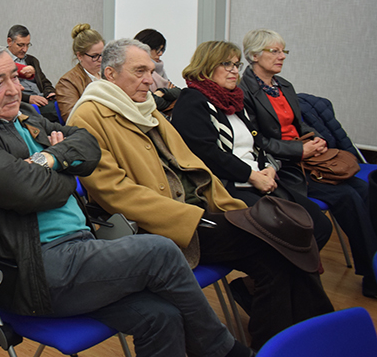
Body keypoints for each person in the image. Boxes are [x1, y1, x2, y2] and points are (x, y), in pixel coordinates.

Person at [0, 41, 254, 357]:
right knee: (160, 250)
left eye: (14, 77)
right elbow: (30, 191)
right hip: (34, 269)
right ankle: (223, 351)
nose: (13, 89)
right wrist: (65, 167)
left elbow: (86, 144)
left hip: (80, 250)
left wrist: (49, 160)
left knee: (161, 317)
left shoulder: (23, 115)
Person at [68, 38, 334, 349]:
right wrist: (195, 218)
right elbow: (115, 193)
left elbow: (193, 166)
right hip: (166, 226)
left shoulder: (143, 107)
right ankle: (319, 335)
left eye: (151, 71)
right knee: (281, 238)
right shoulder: (87, 117)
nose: (149, 80)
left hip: (203, 210)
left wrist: (232, 208)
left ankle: (284, 342)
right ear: (110, 74)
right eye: (139, 71)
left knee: (278, 252)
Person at [239, 28, 377, 297]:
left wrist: (317, 140)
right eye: (275, 51)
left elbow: (300, 124)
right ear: (255, 55)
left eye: (283, 51)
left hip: (309, 159)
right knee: (348, 197)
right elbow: (258, 141)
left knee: (364, 190)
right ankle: (373, 278)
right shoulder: (245, 92)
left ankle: (371, 267)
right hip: (284, 166)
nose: (282, 57)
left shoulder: (284, 86)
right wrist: (298, 150)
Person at [170, 41, 332, 248]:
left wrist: (270, 169)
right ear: (207, 65)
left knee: (320, 226)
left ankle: (273, 279)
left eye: (237, 65)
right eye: (226, 64)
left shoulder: (234, 100)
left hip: (261, 179)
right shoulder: (192, 100)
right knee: (293, 235)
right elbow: (207, 154)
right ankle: (275, 278)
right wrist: (252, 176)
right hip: (229, 186)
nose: (234, 71)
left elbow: (258, 143)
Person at [6, 24, 59, 121]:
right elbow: (5, 90)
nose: (25, 49)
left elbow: (44, 82)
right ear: (9, 41)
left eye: (27, 45)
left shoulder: (32, 60)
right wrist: (28, 98)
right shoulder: (1, 61)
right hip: (21, 102)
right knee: (57, 111)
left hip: (40, 99)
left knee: (63, 103)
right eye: (21, 45)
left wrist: (49, 92)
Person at [55, 23, 104, 120]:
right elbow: (73, 119)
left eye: (102, 54)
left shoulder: (109, 75)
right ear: (80, 56)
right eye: (94, 56)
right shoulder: (67, 83)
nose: (100, 59)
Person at [135, 28, 180, 112]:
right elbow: (152, 101)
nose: (160, 54)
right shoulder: (137, 71)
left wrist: (161, 92)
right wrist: (169, 97)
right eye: (158, 50)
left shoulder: (160, 72)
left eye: (162, 50)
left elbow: (178, 92)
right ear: (146, 48)